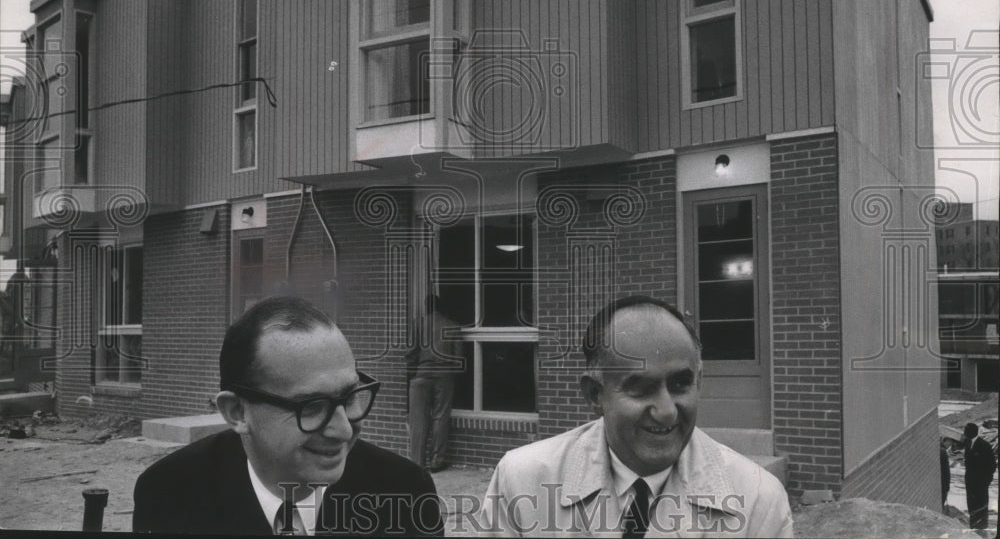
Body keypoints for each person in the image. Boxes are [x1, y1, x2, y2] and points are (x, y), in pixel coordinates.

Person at [476, 296, 793, 537]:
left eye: (681, 384)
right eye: (640, 388)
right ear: (595, 395)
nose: (667, 410)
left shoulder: (757, 499)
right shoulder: (521, 481)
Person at [133, 296, 443, 536]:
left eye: (349, 397)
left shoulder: (405, 492)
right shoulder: (170, 491)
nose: (344, 430)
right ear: (237, 412)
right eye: (311, 406)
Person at [407, 294, 461, 472]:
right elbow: (459, 358)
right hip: (444, 374)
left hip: (421, 373)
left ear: (426, 306)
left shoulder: (418, 324)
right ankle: (437, 461)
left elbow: (410, 353)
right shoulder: (453, 326)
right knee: (440, 416)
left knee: (418, 420)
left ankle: (417, 463)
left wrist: (416, 370)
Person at [963, 421, 997, 532]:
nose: (964, 433)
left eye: (966, 431)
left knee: (981, 507)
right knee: (972, 507)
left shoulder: (984, 446)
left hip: (981, 485)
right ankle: (973, 529)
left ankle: (982, 530)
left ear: (972, 432)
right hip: (970, 484)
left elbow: (992, 465)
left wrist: (986, 482)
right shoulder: (967, 443)